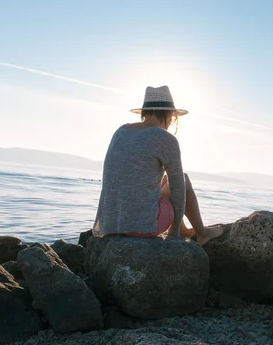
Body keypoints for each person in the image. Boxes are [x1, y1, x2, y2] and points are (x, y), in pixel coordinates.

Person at [92, 85, 224, 245]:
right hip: (143, 226)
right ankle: (203, 233)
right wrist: (173, 235)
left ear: (144, 113)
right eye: (173, 118)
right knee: (183, 180)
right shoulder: (164, 138)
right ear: (169, 115)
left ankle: (185, 230)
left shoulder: (121, 131)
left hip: (110, 224)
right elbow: (178, 188)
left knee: (162, 182)